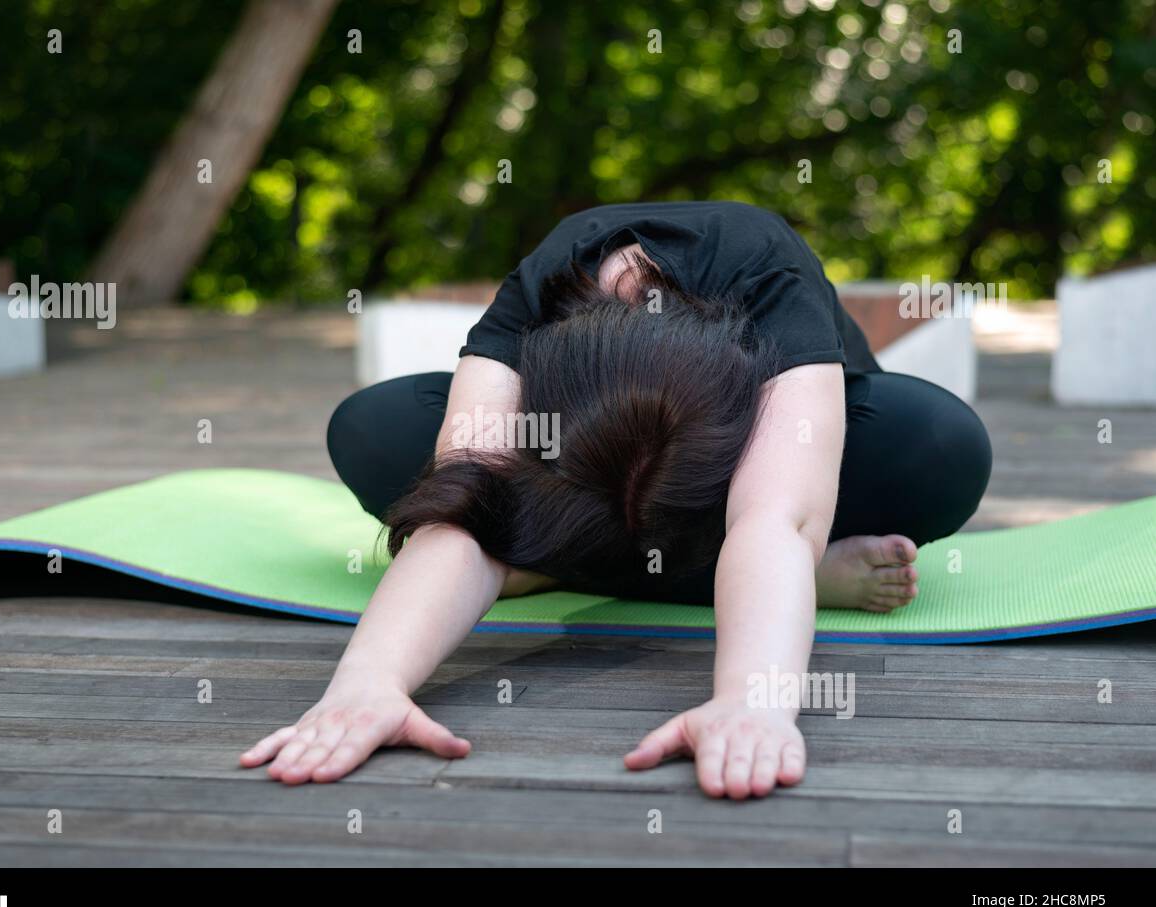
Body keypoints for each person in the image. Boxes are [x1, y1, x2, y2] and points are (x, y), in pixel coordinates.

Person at [241, 201, 993, 800]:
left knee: (939, 441)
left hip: (773, 466)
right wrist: (367, 684)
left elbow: (775, 519)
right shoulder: (540, 290)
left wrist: (752, 702)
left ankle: (547, 563)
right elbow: (465, 507)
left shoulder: (768, 276)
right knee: (374, 429)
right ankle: (751, 574)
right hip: (572, 476)